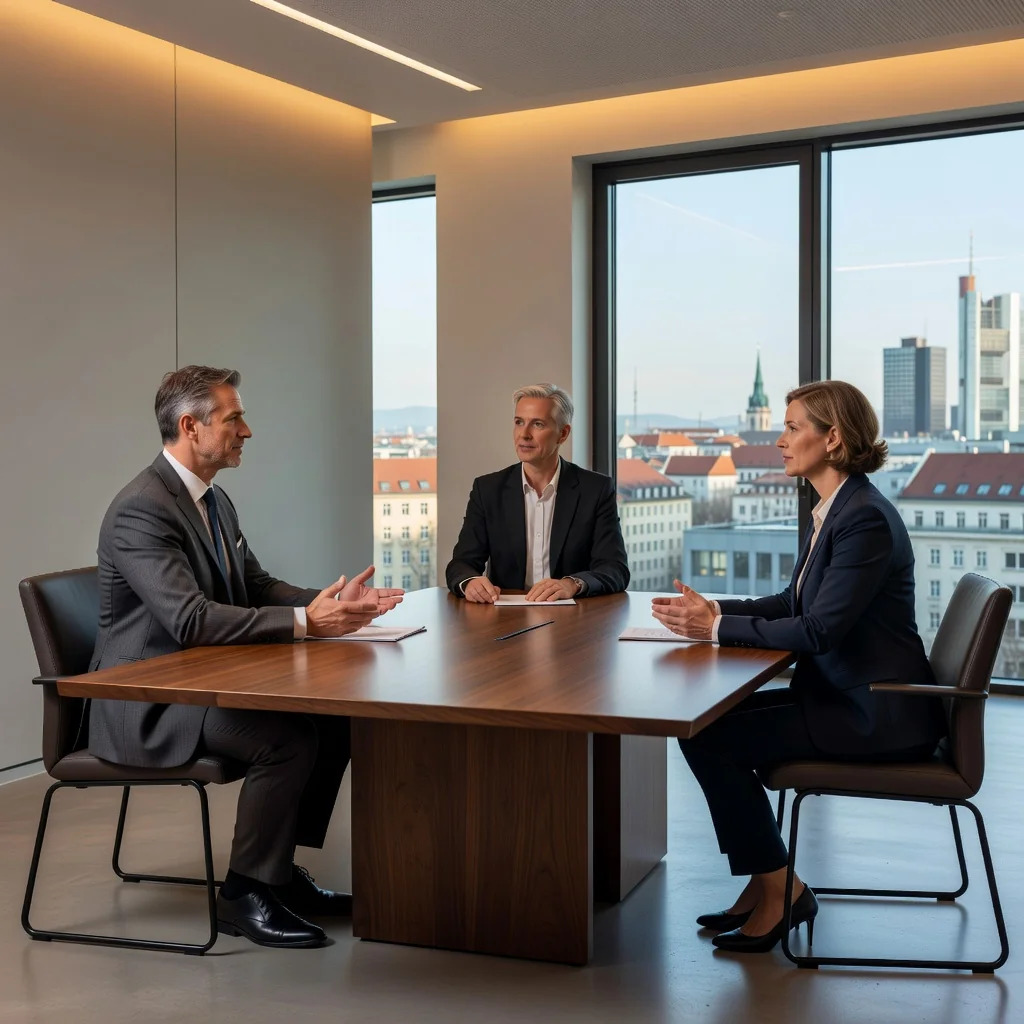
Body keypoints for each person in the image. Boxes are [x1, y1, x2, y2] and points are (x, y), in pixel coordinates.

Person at [89, 365, 403, 950]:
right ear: (191, 426)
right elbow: (189, 619)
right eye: (234, 418)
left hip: (196, 682)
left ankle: (276, 874)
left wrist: (327, 602)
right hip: (148, 703)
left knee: (334, 720)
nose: (247, 430)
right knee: (286, 738)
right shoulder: (142, 509)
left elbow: (254, 584)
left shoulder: (214, 499)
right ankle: (244, 893)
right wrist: (309, 624)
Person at [651, 380, 945, 954]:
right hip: (847, 695)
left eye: (792, 428)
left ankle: (780, 889)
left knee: (709, 738)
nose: (780, 441)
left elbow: (818, 630)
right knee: (703, 727)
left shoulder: (862, 520)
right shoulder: (834, 507)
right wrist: (715, 610)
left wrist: (712, 630)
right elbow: (794, 603)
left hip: (874, 713)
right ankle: (765, 883)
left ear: (832, 438)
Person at [446, 383, 629, 602]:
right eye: (518, 422)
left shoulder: (595, 490)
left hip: (574, 620)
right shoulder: (488, 490)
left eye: (538, 424)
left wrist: (571, 584)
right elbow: (461, 564)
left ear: (563, 434)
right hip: (505, 621)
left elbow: (615, 569)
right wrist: (470, 582)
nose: (524, 434)